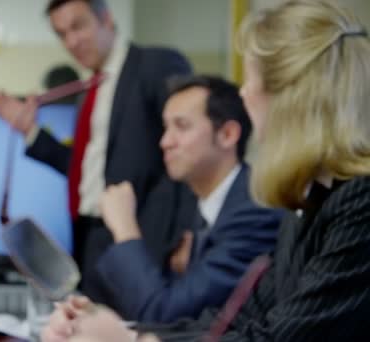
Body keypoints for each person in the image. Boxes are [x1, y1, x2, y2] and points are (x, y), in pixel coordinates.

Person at [41, 0, 370, 341]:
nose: (245, 93)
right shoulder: (307, 200)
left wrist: (129, 340)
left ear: (290, 97)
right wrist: (119, 329)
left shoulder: (357, 201)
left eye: (251, 80)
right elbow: (237, 321)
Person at [0, 0, 192, 303]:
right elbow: (86, 172)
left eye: (78, 26)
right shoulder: (90, 91)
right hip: (90, 241)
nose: (71, 41)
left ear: (106, 20)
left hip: (144, 240)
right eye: (61, 34)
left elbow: (192, 151)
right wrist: (30, 132)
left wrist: (190, 233)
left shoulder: (154, 65)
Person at [94, 75, 281, 324]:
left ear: (227, 134)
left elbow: (163, 313)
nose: (165, 142)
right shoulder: (200, 203)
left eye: (181, 126)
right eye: (165, 127)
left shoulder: (255, 210)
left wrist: (125, 229)